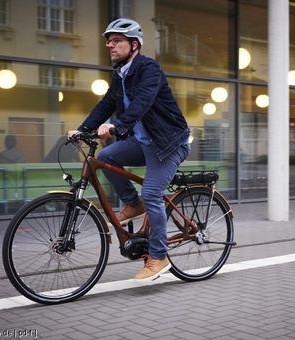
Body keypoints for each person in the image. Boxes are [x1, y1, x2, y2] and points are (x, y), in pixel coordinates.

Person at [67, 18, 191, 283]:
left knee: (153, 193)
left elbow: (143, 102)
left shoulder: (149, 69)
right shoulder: (120, 76)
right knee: (105, 157)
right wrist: (82, 128)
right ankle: (133, 204)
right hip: (143, 142)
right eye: (109, 41)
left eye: (117, 41)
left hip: (168, 143)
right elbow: (105, 104)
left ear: (134, 45)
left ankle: (159, 257)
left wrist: (117, 126)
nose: (110, 45)